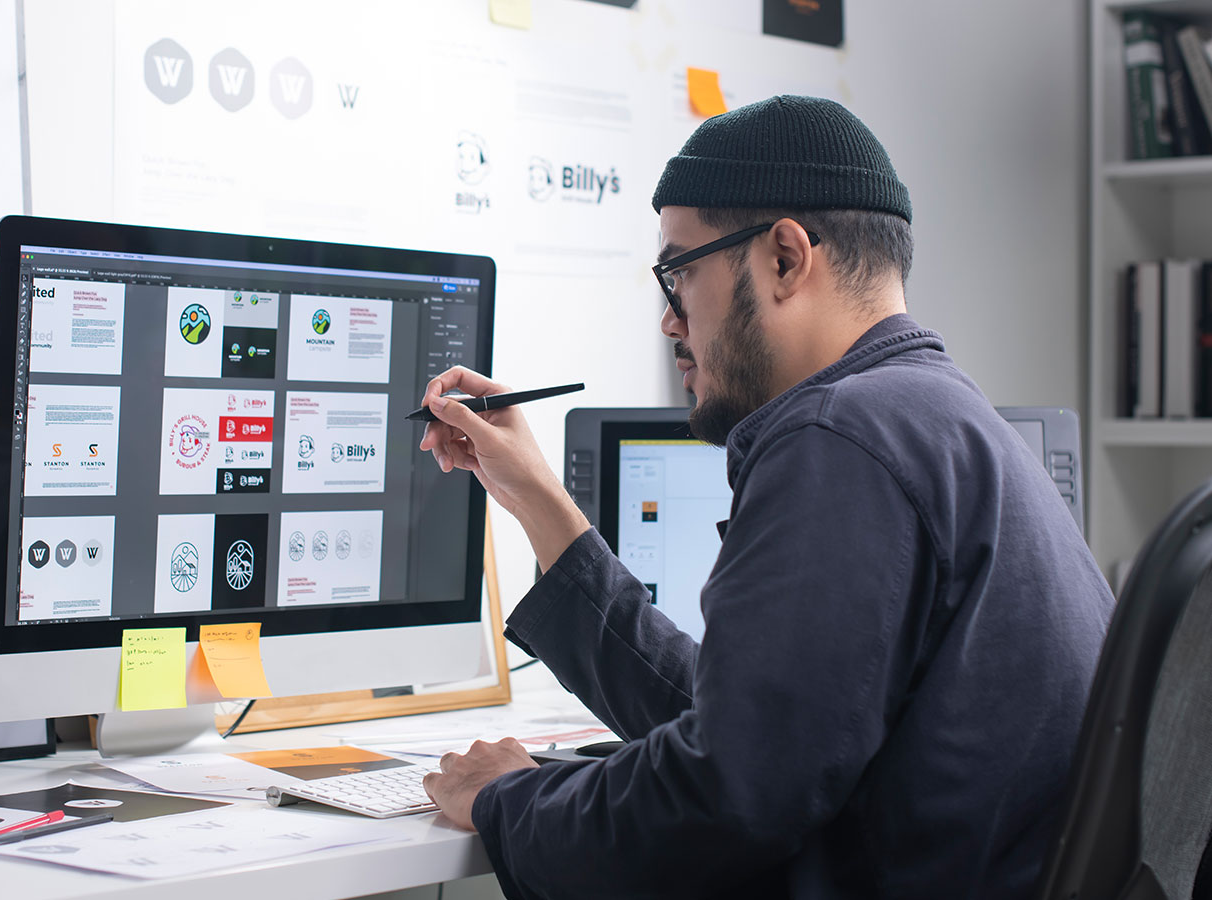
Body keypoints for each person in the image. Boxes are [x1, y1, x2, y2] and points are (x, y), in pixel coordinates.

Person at [416, 95, 1114, 899]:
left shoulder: (839, 436)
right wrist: (540, 501)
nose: (671, 323)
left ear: (785, 257)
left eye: (678, 275)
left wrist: (510, 797)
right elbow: (749, 735)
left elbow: (725, 801)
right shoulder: (929, 413)